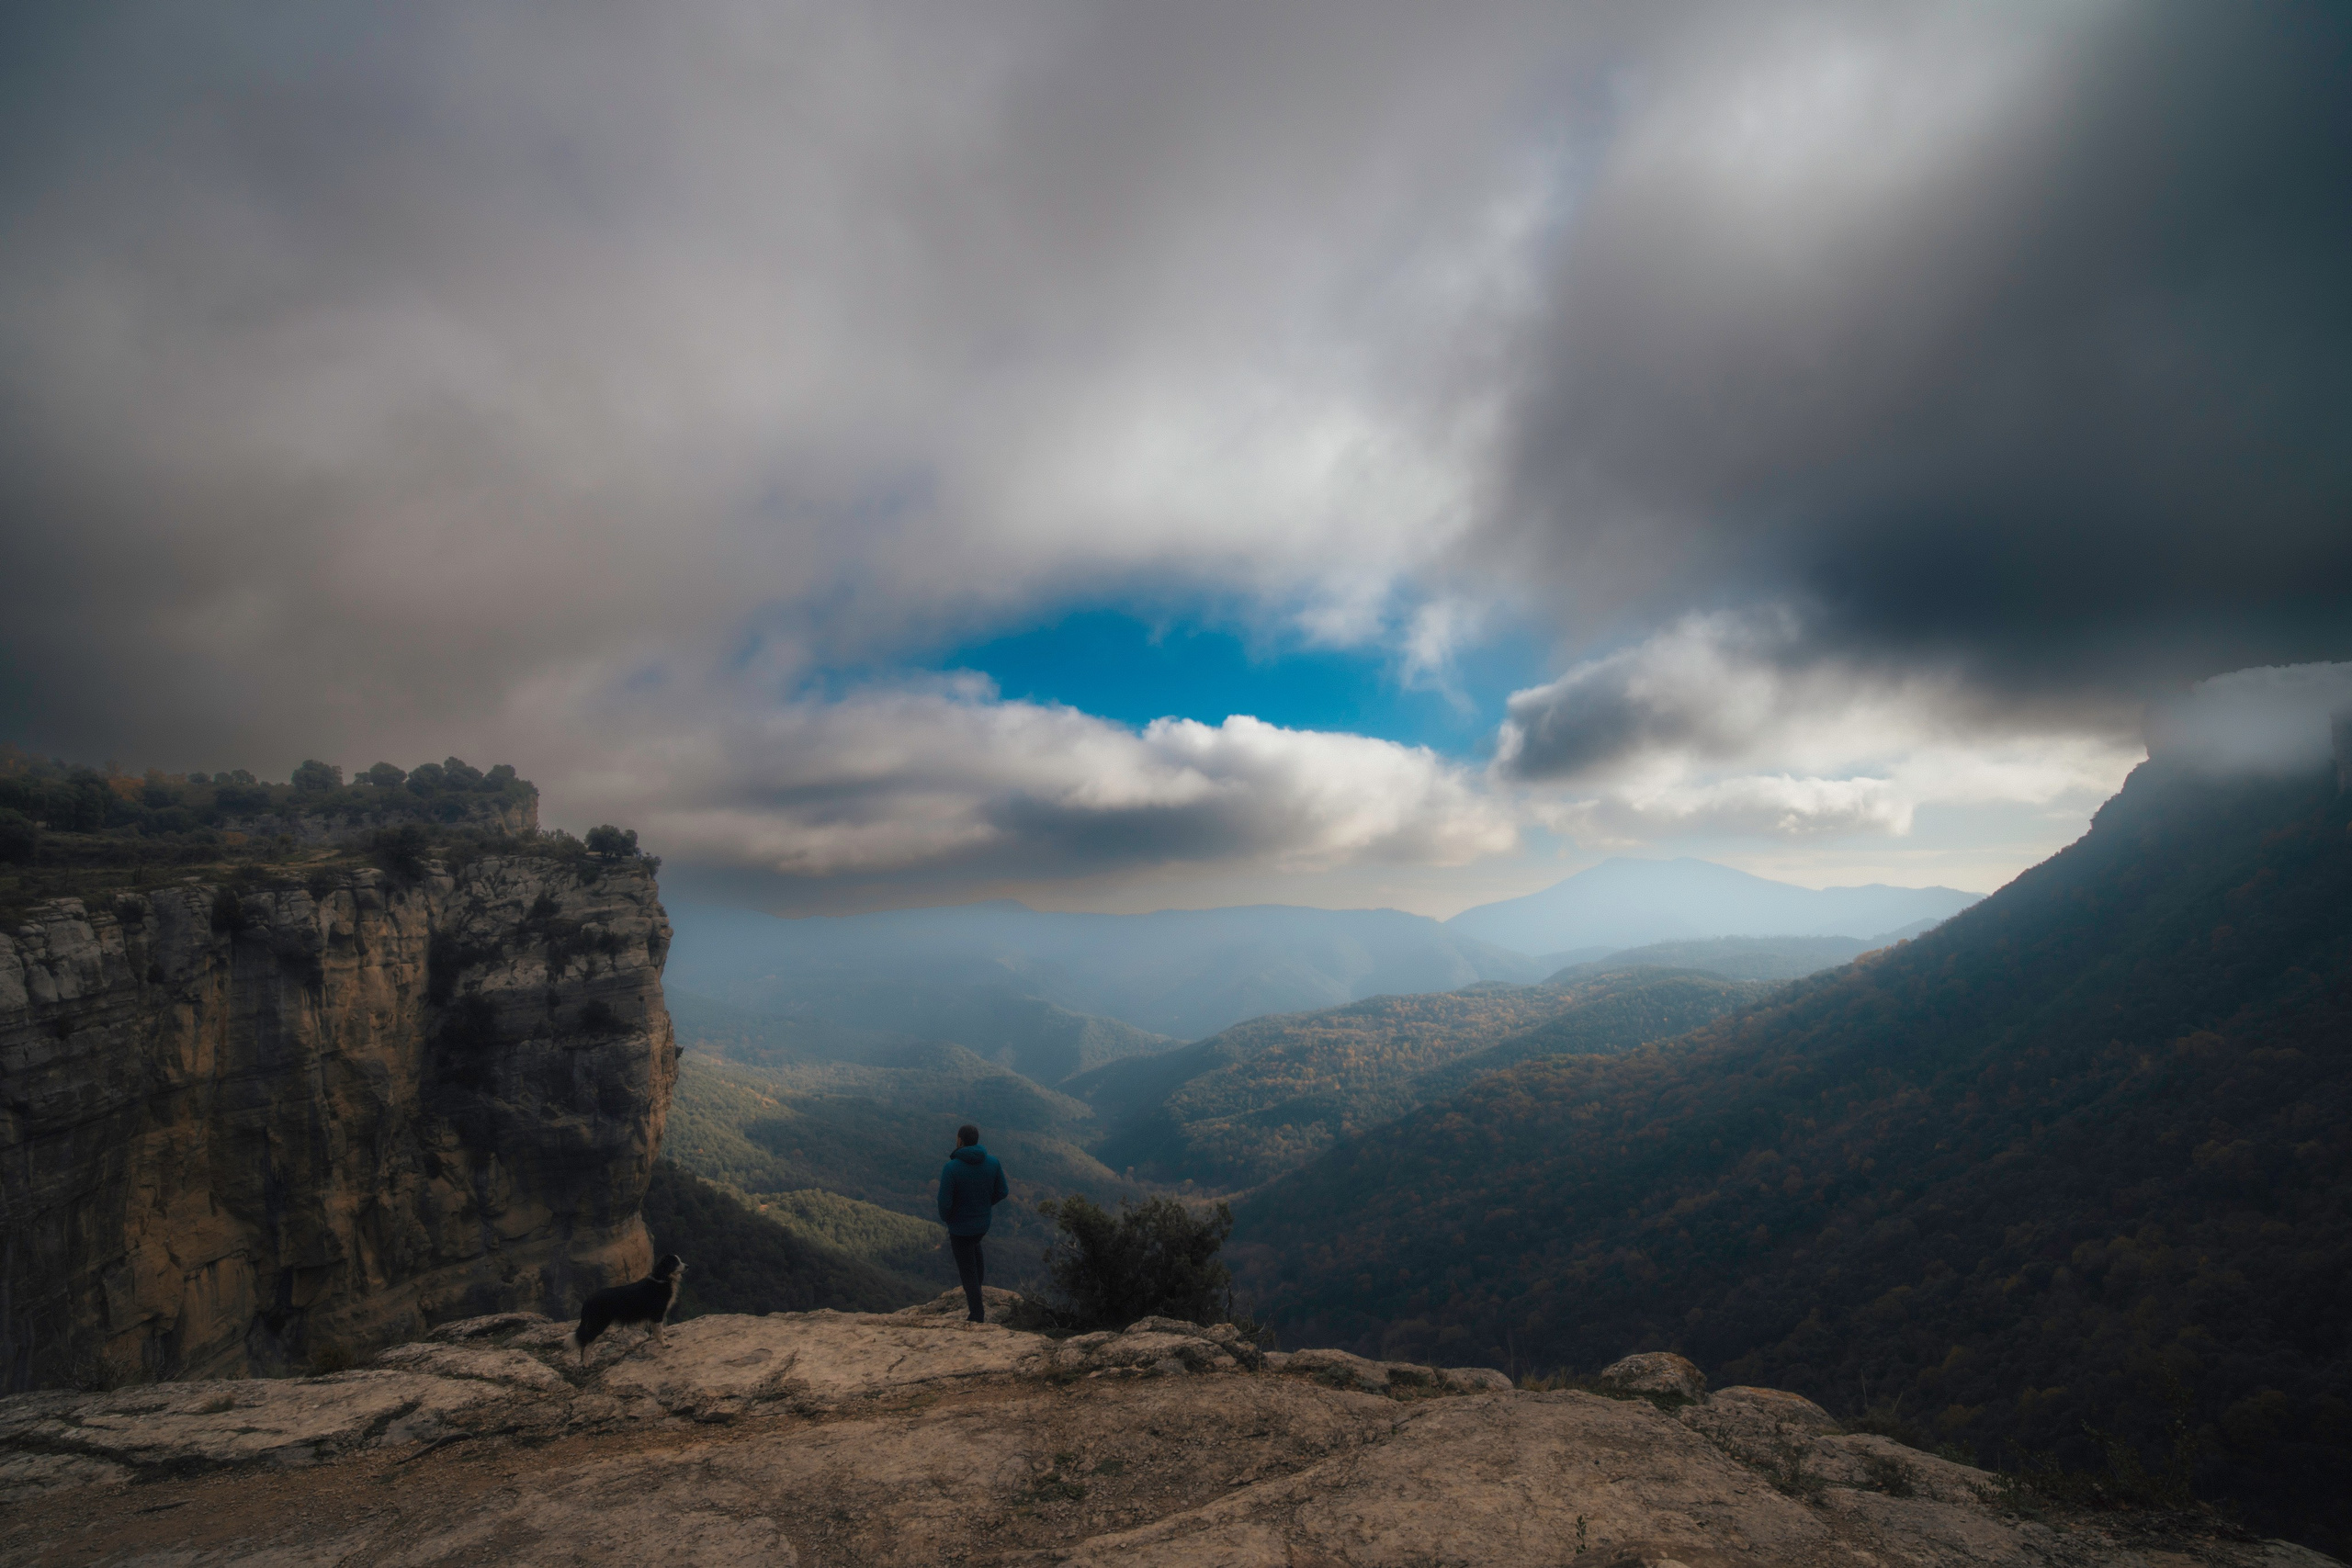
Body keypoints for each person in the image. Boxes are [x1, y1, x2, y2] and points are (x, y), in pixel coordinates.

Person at [936, 1122, 1009, 1323]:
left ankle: (977, 1315)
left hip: (960, 1228)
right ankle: (978, 1290)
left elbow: (944, 1202)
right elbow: (1003, 1191)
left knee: (967, 1269)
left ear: (960, 1141)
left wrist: (948, 1217)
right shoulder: (993, 1163)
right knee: (975, 1248)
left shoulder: (951, 1168)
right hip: (982, 1224)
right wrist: (985, 1205)